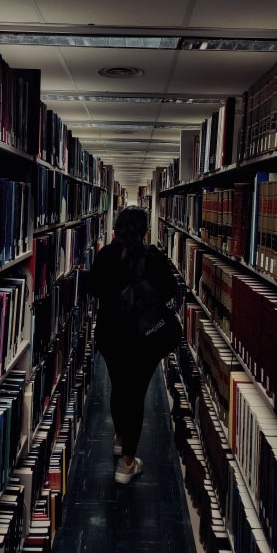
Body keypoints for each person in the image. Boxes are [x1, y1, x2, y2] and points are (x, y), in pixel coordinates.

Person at [88, 205, 177, 484]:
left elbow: (93, 289)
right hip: (144, 337)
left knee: (119, 386)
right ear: (144, 230)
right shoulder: (153, 257)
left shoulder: (105, 255)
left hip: (111, 336)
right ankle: (127, 463)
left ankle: (119, 438)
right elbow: (171, 291)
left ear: (116, 228)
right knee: (136, 393)